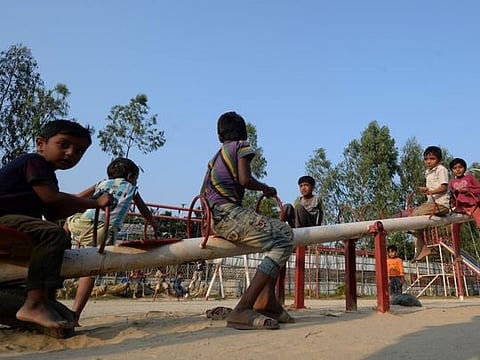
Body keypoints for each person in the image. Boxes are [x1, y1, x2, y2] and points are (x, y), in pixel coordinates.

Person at [0, 120, 113, 330]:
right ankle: (35, 303)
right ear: (41, 143)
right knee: (53, 234)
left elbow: (52, 212)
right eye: (64, 145)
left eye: (79, 151)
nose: (71, 153)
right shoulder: (34, 161)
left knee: (58, 236)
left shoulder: (47, 174)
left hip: (13, 222)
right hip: (3, 218)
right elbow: (51, 199)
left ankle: (45, 301)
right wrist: (95, 203)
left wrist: (85, 205)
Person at [201, 111, 294, 330]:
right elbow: (244, 179)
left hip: (215, 216)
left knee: (279, 232)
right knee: (283, 238)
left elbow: (202, 193)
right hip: (228, 213)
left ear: (219, 135)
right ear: (243, 133)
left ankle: (268, 300)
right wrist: (267, 188)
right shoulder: (241, 146)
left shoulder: (214, 159)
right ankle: (243, 307)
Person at [64, 157, 158, 322]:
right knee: (90, 272)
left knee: (68, 219)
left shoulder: (101, 183)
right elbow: (144, 211)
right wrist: (154, 225)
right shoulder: (132, 188)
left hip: (86, 226)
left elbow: (79, 197)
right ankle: (76, 313)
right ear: (130, 176)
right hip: (108, 233)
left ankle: (62, 244)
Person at [409, 146, 450, 262]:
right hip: (431, 203)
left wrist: (431, 192)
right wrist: (426, 189)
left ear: (439, 159)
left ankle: (422, 249)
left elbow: (443, 187)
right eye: (426, 159)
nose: (428, 161)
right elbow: (433, 187)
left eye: (432, 158)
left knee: (415, 215)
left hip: (441, 204)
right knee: (412, 217)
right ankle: (421, 248)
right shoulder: (428, 172)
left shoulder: (441, 169)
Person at [449, 158, 480, 228]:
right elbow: (452, 196)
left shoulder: (470, 177)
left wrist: (469, 191)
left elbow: (479, 189)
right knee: (454, 227)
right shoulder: (452, 182)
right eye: (455, 168)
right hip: (459, 207)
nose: (458, 169)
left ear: (465, 168)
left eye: (460, 167)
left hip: (472, 205)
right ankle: (456, 239)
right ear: (452, 171)